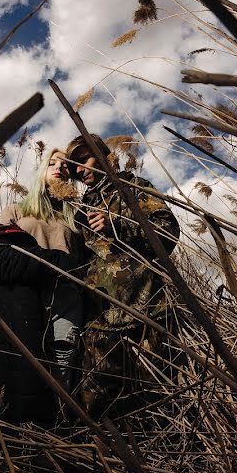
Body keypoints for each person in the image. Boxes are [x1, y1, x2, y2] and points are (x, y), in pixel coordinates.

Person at [65, 134, 180, 420]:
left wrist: (117, 226)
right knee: (97, 408)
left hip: (146, 313)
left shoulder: (132, 187)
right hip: (100, 319)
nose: (79, 170)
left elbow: (167, 232)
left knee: (156, 402)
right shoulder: (80, 210)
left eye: (84, 160)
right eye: (73, 166)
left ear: (104, 155)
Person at [0, 148, 89, 424]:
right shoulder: (17, 210)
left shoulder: (76, 218)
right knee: (25, 367)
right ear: (41, 171)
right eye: (52, 163)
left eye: (66, 165)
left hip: (64, 298)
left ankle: (61, 439)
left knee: (61, 370)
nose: (60, 168)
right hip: (25, 298)